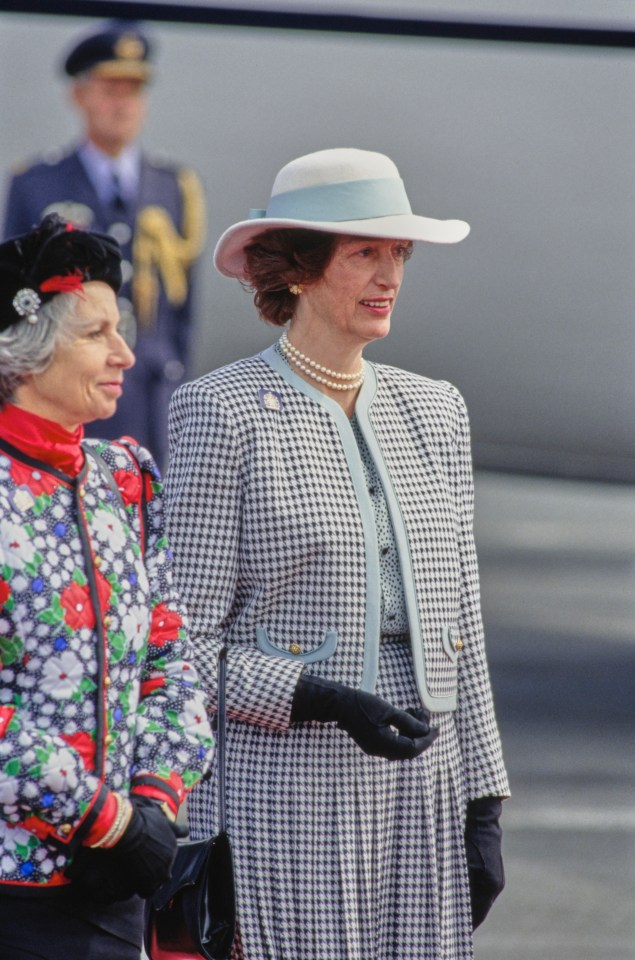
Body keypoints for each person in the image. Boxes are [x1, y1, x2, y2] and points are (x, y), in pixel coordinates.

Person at [165, 147, 510, 960]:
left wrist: (484, 797)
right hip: (288, 771)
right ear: (298, 269)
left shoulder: (436, 409)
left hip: (425, 768)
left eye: (398, 254)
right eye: (365, 253)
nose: (389, 274)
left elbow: (463, 618)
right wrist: (316, 696)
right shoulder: (222, 413)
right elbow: (181, 644)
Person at [0, 214, 214, 960]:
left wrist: (152, 805)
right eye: (96, 334)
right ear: (26, 352)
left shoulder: (124, 479)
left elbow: (169, 661)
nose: (125, 352)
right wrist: (104, 818)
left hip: (114, 890)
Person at [2, 20, 206, 467]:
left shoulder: (175, 187)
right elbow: (16, 306)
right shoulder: (36, 184)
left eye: (133, 91)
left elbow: (182, 315)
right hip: (68, 398)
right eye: (110, 89)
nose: (123, 104)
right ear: (79, 95)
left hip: (152, 401)